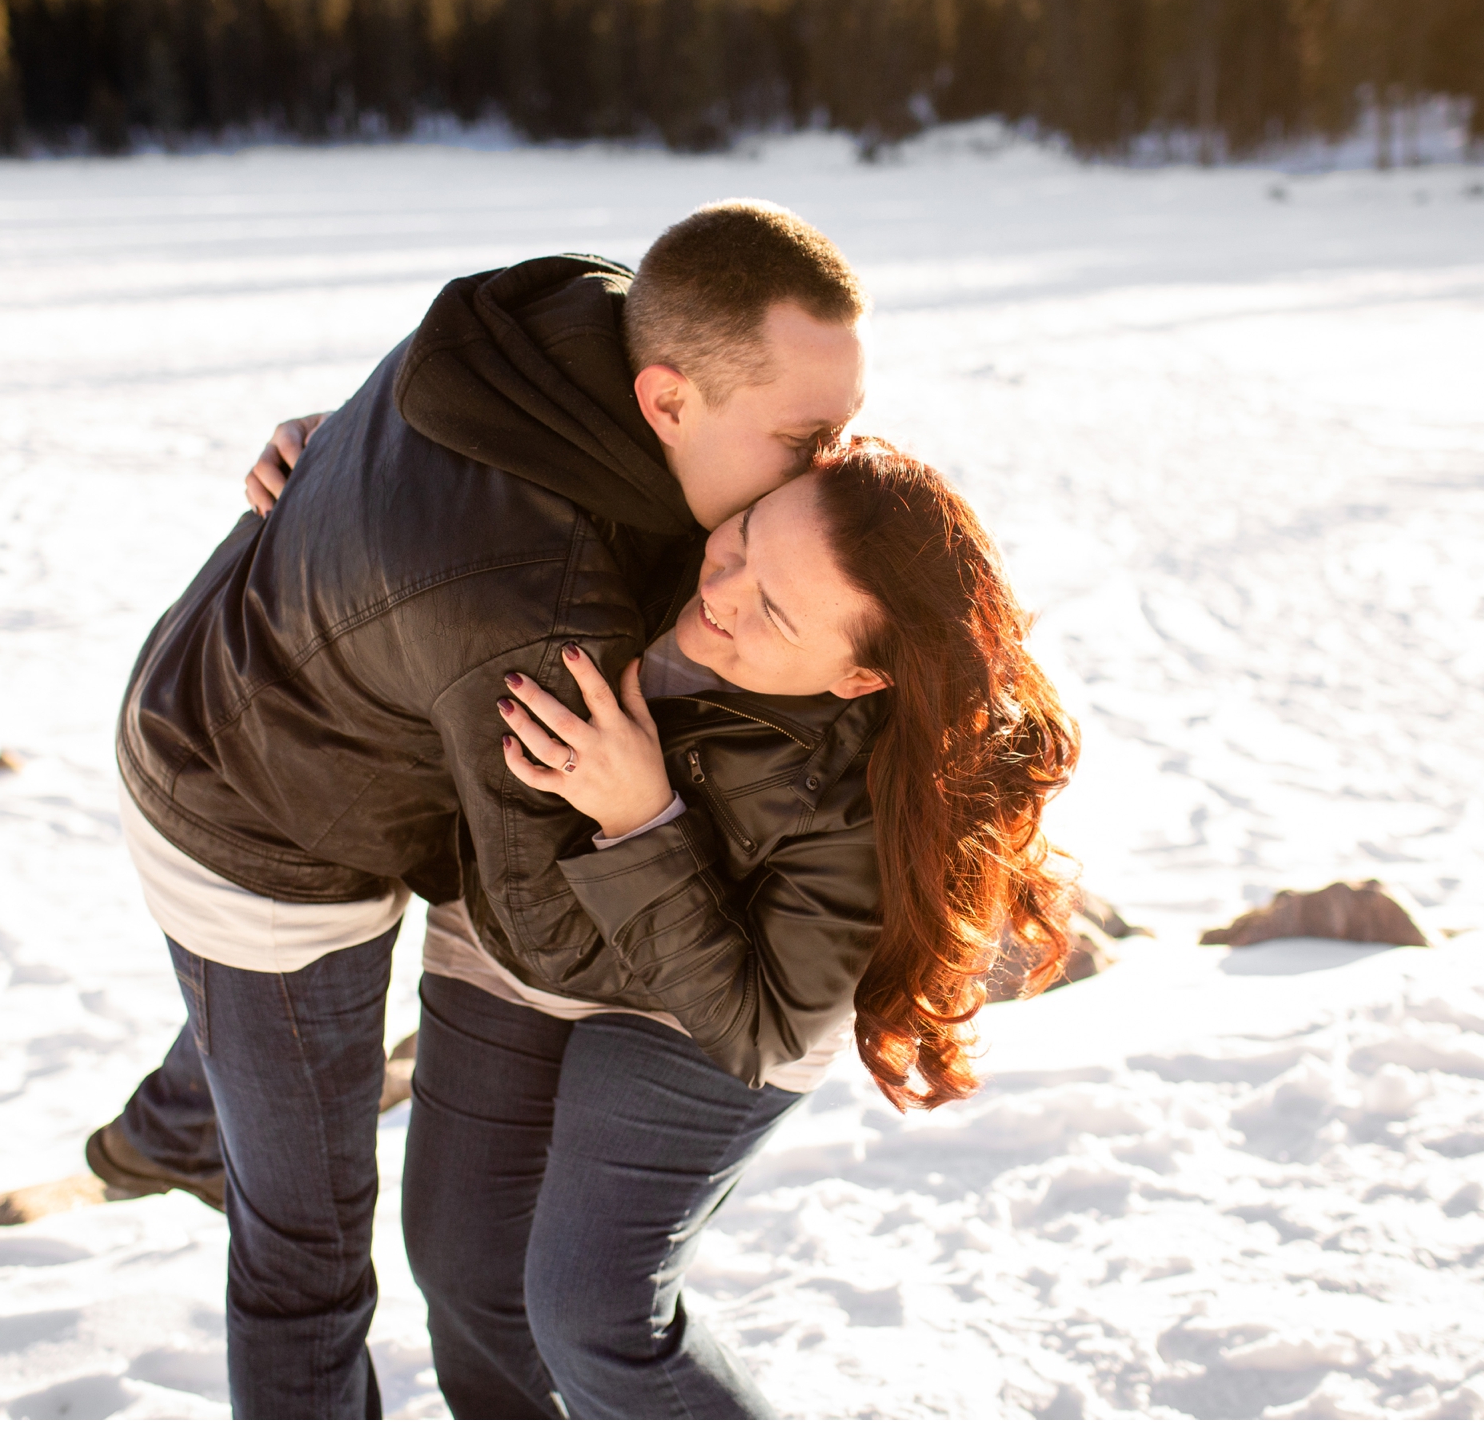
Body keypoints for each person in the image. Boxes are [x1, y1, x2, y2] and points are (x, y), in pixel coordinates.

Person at [89, 202, 870, 1417]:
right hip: (258, 820)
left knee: (273, 1063)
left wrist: (342, 455)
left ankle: (193, 1104)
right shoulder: (540, 607)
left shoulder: (557, 307)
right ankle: (206, 1110)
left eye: (845, 424)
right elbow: (541, 933)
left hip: (293, 690)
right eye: (804, 436)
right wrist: (643, 812)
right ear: (667, 398)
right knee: (305, 1246)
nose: (831, 466)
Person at [399, 436, 1081, 1417]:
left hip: (721, 994)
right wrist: (336, 445)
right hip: (527, 921)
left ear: (857, 678)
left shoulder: (869, 811)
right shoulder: (686, 501)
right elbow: (492, 432)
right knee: (461, 1265)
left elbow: (759, 1023)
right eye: (747, 539)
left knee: (590, 1311)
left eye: (769, 612)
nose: (721, 590)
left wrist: (640, 818)